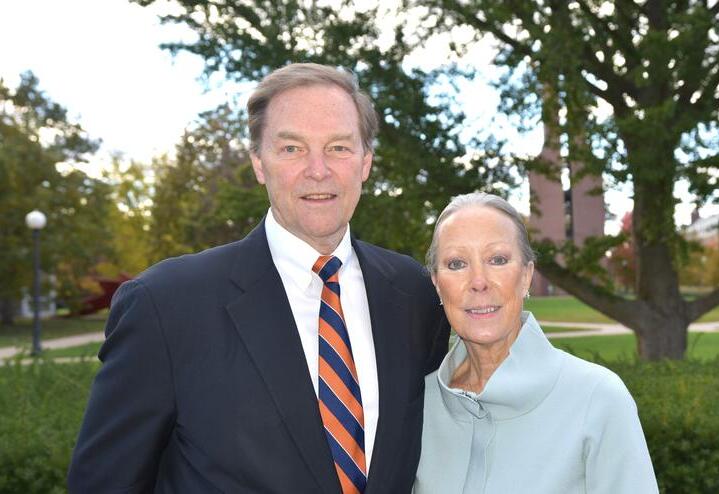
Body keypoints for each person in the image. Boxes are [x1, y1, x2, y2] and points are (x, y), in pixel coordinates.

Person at [68, 63, 449, 494]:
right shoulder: (166, 305)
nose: (318, 170)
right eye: (292, 149)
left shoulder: (415, 295)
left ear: (365, 162)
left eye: (339, 148)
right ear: (259, 164)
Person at [413, 192, 658, 494]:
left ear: (526, 275)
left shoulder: (598, 398)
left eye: (498, 260)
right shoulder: (417, 404)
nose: (479, 281)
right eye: (456, 264)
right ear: (437, 283)